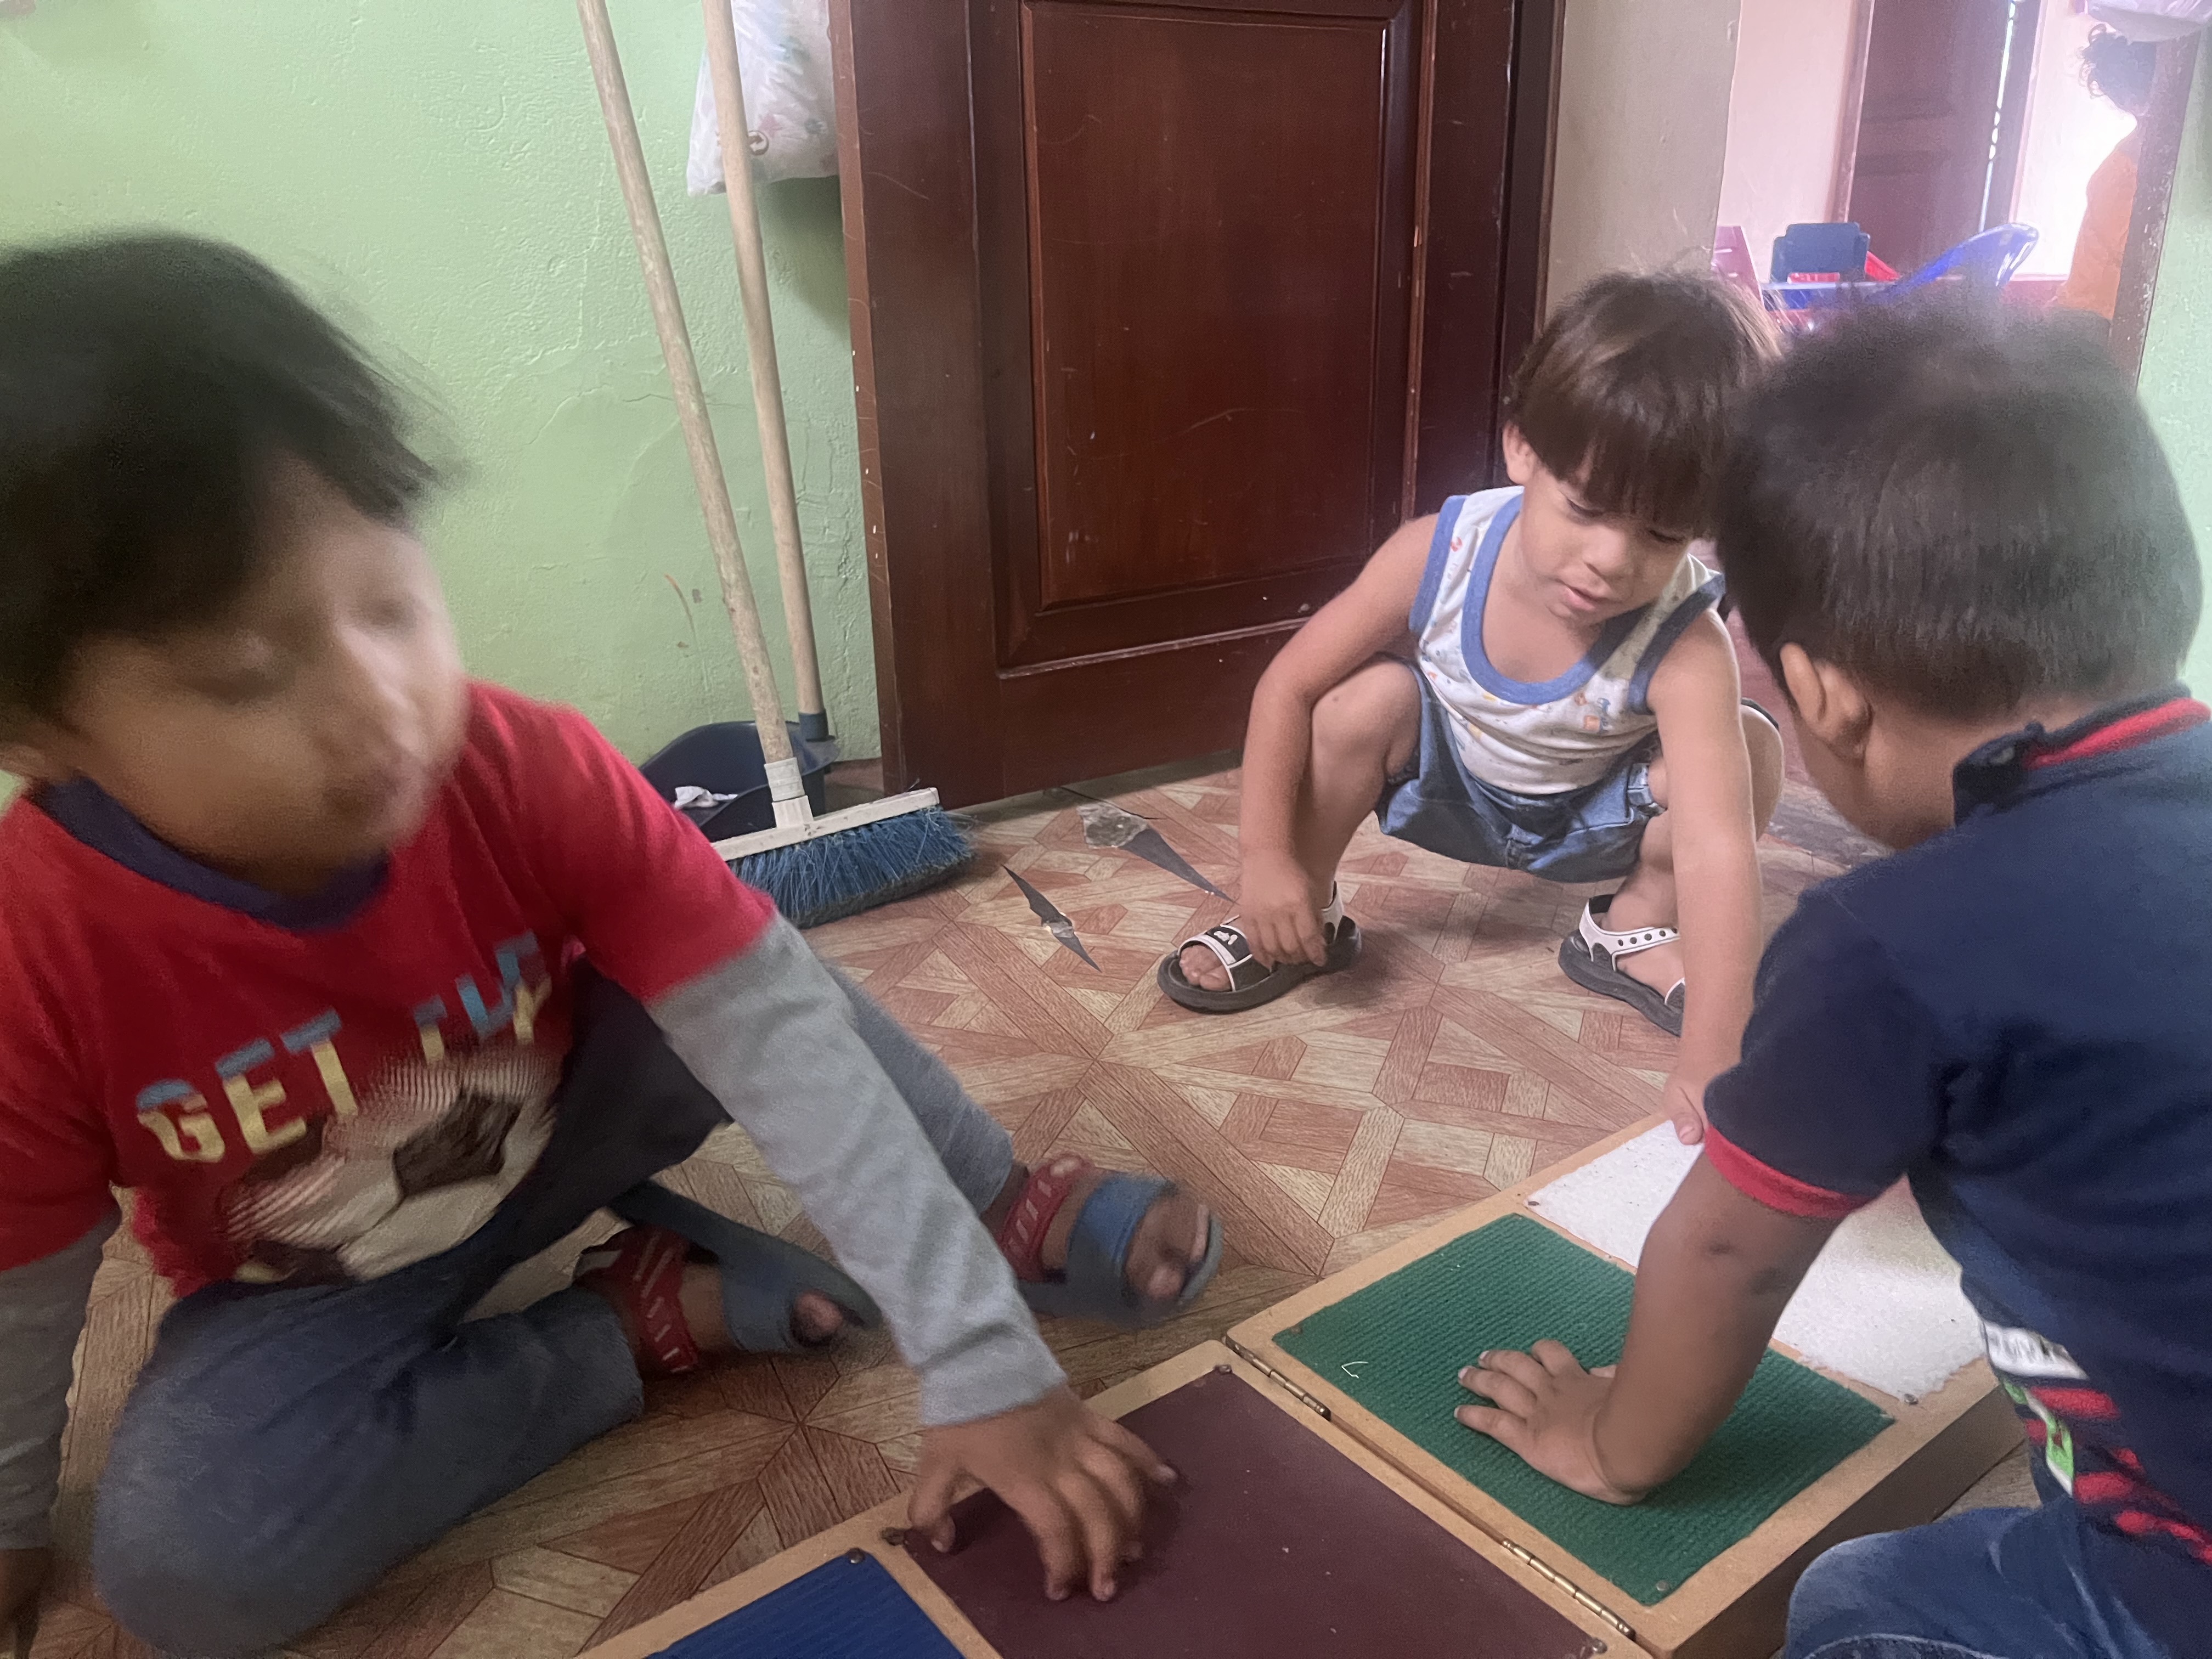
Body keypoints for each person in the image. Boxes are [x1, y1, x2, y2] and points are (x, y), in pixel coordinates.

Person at [0, 234, 1222, 1657]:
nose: (377, 705)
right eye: (244, 677)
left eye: (391, 603)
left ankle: (992, 1200)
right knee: (183, 1573)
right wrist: (10, 1518)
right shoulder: (33, 953)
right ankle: (626, 1326)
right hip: (319, 1280)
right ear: (39, 730)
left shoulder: (529, 767)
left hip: (573, 1109)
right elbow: (22, 1283)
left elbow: (779, 1038)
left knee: (759, 984)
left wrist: (976, 1352)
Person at [1456, 297, 2207, 1658]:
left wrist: (1616, 1444)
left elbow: (1730, 1252)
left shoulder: (1892, 941)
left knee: (1859, 1604)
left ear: (1824, 696)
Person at [1159, 273, 1784, 1146]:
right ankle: (1302, 906)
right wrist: (1263, 859)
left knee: (1747, 749)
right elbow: (1288, 686)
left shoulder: (1686, 640)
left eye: (1662, 534)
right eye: (1587, 507)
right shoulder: (1439, 552)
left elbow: (1718, 844)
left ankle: (1633, 930)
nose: (1611, 559)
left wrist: (1718, 1046)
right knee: (1358, 701)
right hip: (1451, 794)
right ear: (1521, 447)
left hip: (1590, 817)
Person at [2053, 25, 2162, 323]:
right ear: (2135, 103)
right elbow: (2146, 258)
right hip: (2089, 321)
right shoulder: (2116, 179)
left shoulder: (2161, 162)